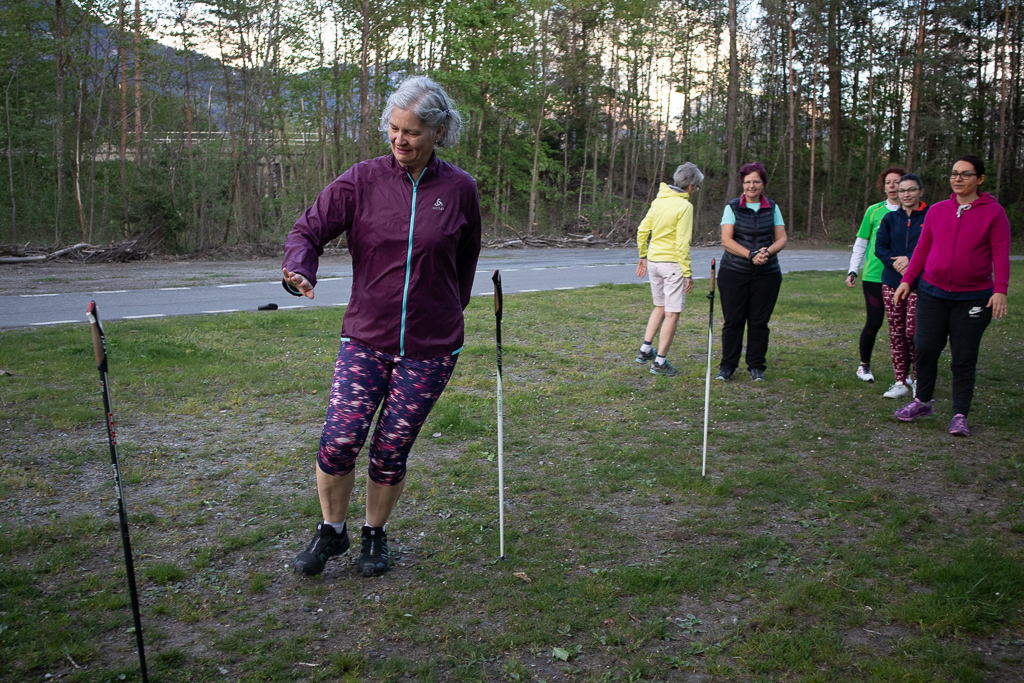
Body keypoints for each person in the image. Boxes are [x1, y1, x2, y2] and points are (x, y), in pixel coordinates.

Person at [281, 76, 482, 576]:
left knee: (392, 447)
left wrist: (449, 315)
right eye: (393, 129)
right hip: (365, 339)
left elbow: (466, 261)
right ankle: (332, 531)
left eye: (412, 132)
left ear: (439, 131)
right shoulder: (361, 180)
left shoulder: (460, 189)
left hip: (430, 348)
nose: (400, 140)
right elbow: (307, 229)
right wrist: (299, 267)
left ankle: (374, 533)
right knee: (340, 439)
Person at [893, 155, 1010, 436]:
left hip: (973, 297)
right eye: (954, 174)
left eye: (965, 174)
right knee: (925, 347)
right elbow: (922, 249)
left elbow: (1000, 254)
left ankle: (960, 414)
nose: (958, 179)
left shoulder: (994, 213)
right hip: (933, 292)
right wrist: (908, 280)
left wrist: (1000, 291)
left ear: (979, 179)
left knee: (963, 356)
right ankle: (922, 401)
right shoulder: (938, 211)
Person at [715, 162, 787, 382]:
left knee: (758, 322)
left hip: (767, 274)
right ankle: (727, 367)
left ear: (763, 183)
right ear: (742, 184)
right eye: (747, 181)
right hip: (734, 272)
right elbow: (726, 240)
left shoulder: (773, 207)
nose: (751, 185)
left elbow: (781, 238)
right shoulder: (732, 207)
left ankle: (756, 366)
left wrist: (767, 253)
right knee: (733, 321)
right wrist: (750, 254)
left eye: (756, 181)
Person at [634, 163, 704, 377]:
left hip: (654, 261)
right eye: (697, 188)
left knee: (660, 306)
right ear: (691, 186)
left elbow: (642, 229)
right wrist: (688, 272)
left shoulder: (659, 200)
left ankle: (645, 349)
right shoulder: (685, 207)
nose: (696, 192)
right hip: (672, 264)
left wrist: (643, 255)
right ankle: (660, 362)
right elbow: (682, 243)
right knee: (672, 313)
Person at [846, 166, 905, 383]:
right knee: (874, 321)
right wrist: (853, 269)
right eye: (888, 182)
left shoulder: (913, 212)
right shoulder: (874, 211)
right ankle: (864, 366)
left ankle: (905, 372)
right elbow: (861, 244)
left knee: (902, 326)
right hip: (874, 278)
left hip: (902, 278)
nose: (892, 186)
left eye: (897, 182)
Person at [874, 173, 927, 399]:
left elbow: (933, 247)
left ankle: (918, 380)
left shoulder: (930, 216)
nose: (906, 194)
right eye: (903, 190)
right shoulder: (889, 219)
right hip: (892, 282)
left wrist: (910, 260)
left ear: (920, 192)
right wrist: (897, 263)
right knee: (896, 332)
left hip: (919, 284)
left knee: (914, 333)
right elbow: (880, 247)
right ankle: (900, 381)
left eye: (911, 190)